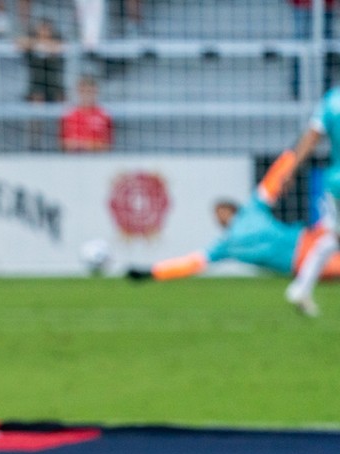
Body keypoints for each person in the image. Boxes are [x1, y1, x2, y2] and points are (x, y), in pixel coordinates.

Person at [125, 151, 340, 306]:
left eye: (222, 210)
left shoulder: (253, 210)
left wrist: (293, 154)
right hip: (301, 263)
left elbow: (272, 181)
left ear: (233, 208)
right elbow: (191, 263)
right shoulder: (226, 246)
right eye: (216, 214)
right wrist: (151, 272)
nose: (219, 216)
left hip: (309, 238)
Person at [265, 84, 340, 317]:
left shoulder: (332, 100)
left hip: (335, 181)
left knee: (333, 237)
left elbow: (311, 138)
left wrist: (291, 170)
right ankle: (301, 287)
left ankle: (301, 287)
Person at [59, 75, 112, 152]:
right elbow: (63, 143)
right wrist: (89, 144)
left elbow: (107, 144)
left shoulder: (104, 115)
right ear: (78, 92)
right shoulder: (69, 115)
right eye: (84, 91)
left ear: (96, 92)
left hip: (98, 160)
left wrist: (84, 145)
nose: (87, 95)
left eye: (90, 91)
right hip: (73, 160)